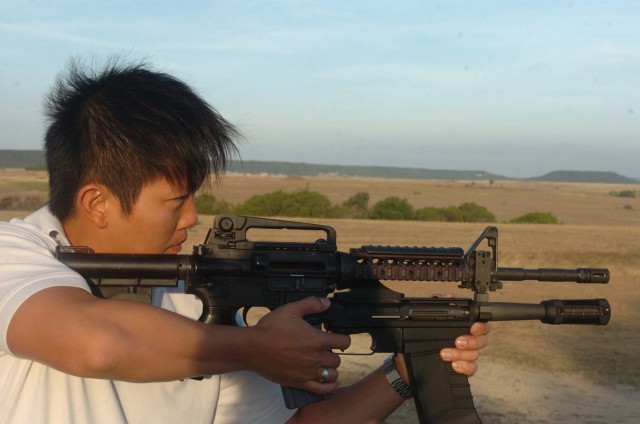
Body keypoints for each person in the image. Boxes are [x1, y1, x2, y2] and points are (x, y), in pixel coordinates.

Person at [0, 58, 490, 423]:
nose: (192, 217)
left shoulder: (198, 305)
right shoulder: (14, 254)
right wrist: (257, 348)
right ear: (97, 203)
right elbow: (97, 343)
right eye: (175, 200)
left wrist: (407, 367)